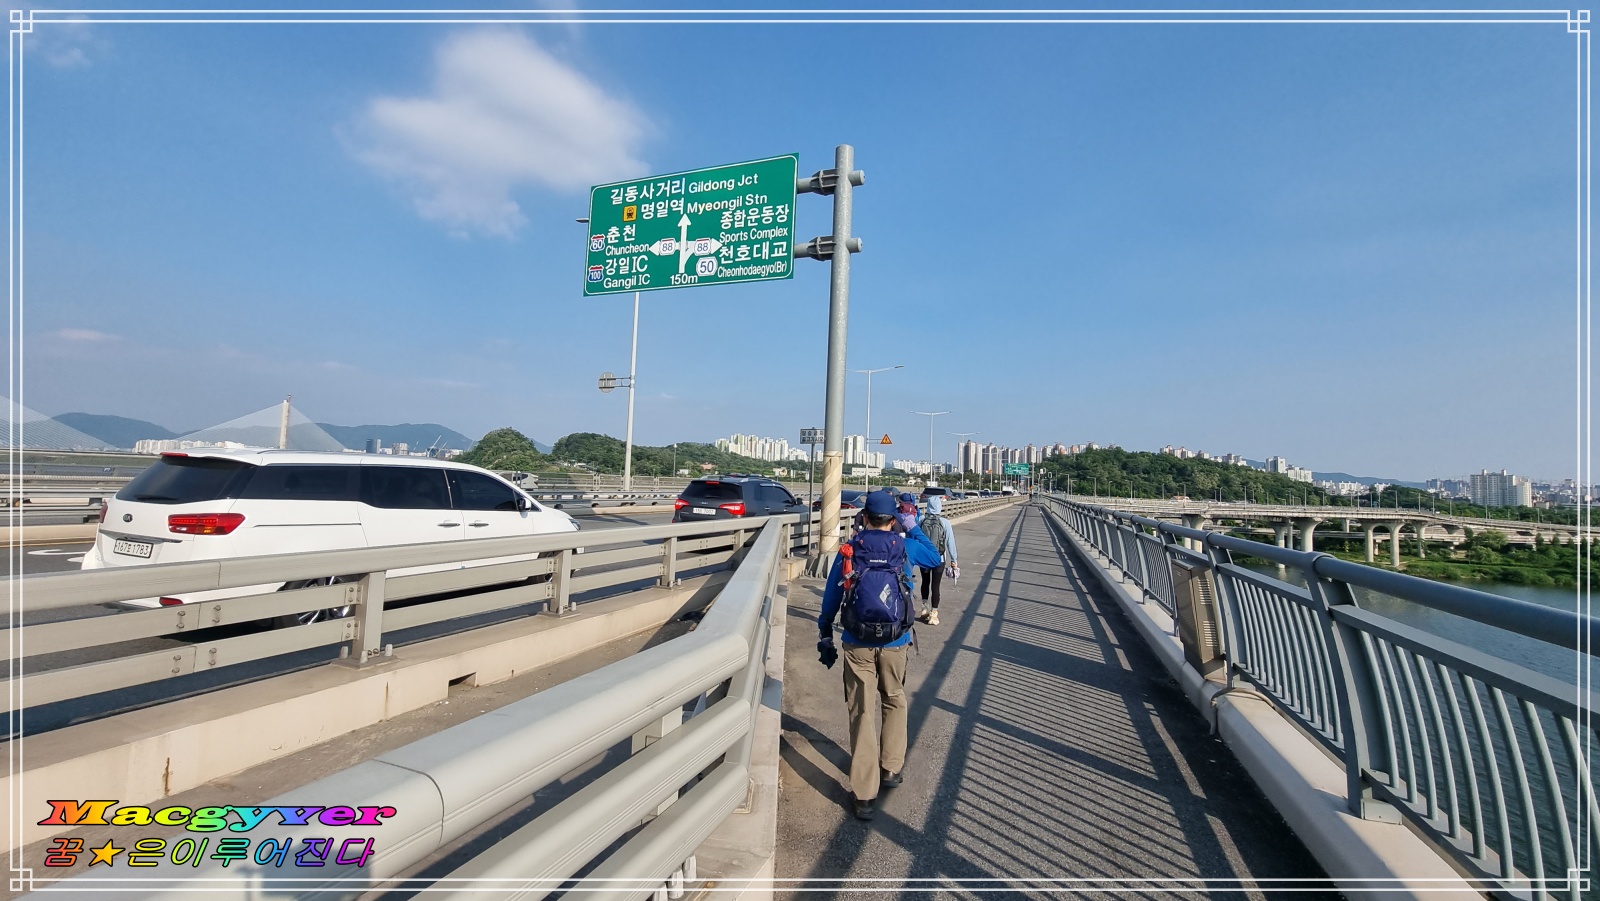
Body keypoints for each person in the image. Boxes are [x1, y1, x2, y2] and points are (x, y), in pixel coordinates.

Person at [817, 490, 942, 821]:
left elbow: (831, 599)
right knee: (894, 698)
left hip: (856, 640)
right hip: (896, 639)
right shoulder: (905, 546)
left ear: (864, 517)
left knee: (862, 710)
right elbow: (935, 557)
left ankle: (864, 794)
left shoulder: (850, 549)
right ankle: (890, 768)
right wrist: (912, 526)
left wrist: (825, 631)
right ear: (893, 519)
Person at [916, 495, 958, 626]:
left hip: (924, 557)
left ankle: (924, 608)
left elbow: (915, 537)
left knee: (925, 582)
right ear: (939, 507)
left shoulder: (921, 520)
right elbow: (950, 542)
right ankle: (933, 614)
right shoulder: (944, 522)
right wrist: (954, 559)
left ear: (928, 506)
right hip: (939, 559)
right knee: (936, 585)